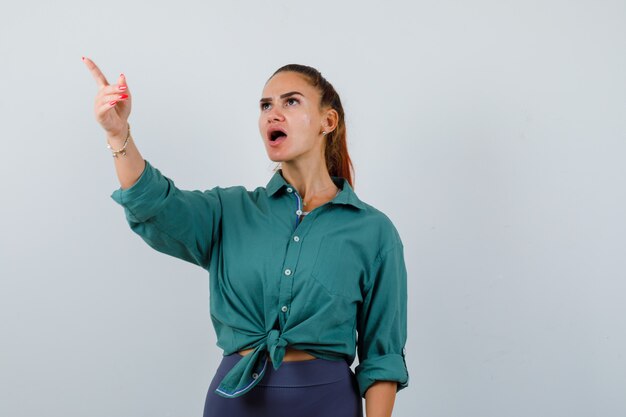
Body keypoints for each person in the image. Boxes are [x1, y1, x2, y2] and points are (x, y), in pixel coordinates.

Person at [83, 57, 409, 417]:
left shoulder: (374, 231)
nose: (273, 114)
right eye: (265, 105)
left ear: (327, 121)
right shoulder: (229, 211)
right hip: (235, 403)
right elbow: (156, 205)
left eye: (291, 102)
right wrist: (118, 134)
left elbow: (383, 358)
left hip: (326, 403)